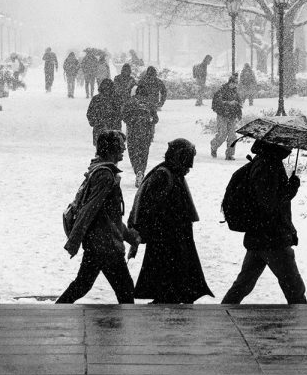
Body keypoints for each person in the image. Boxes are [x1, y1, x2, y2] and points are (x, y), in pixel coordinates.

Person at [57, 130, 141, 304]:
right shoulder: (104, 175)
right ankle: (124, 329)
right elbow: (88, 210)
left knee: (83, 285)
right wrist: (74, 242)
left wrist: (129, 237)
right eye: (120, 146)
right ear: (111, 149)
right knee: (125, 290)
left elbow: (110, 217)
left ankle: (57, 310)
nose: (124, 149)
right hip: (106, 245)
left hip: (99, 242)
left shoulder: (99, 171)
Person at [221, 140, 307, 304]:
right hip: (272, 238)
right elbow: (269, 203)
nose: (290, 147)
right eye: (287, 143)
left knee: (243, 284)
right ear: (277, 145)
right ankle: (302, 324)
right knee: (294, 288)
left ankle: (224, 314)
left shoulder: (265, 161)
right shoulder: (268, 165)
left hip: (260, 236)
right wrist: (291, 188)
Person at [129, 138, 212, 304]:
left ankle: (171, 296)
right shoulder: (163, 175)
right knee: (168, 268)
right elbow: (150, 207)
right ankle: (168, 297)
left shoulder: (173, 172)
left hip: (174, 234)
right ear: (179, 158)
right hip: (167, 235)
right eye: (188, 162)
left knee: (175, 269)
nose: (190, 167)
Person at [121, 87, 159, 187]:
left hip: (133, 132)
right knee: (144, 152)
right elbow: (155, 119)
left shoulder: (129, 102)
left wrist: (131, 121)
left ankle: (137, 169)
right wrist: (148, 122)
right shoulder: (149, 103)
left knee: (133, 152)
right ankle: (141, 169)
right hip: (146, 133)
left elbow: (123, 115)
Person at [209, 74, 243, 160]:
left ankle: (229, 154)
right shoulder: (221, 90)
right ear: (229, 82)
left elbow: (239, 104)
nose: (234, 85)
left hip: (232, 116)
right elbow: (217, 102)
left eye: (236, 83)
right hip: (222, 116)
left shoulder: (236, 93)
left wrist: (238, 111)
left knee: (232, 136)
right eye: (233, 82)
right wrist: (228, 103)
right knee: (222, 134)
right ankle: (214, 146)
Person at [86, 78, 120, 148]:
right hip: (111, 129)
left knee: (102, 151)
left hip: (101, 129)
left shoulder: (96, 99)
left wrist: (95, 122)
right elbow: (120, 113)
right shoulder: (116, 99)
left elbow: (90, 113)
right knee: (111, 152)